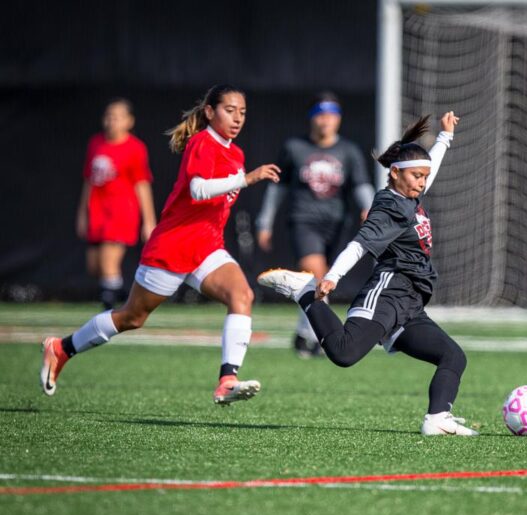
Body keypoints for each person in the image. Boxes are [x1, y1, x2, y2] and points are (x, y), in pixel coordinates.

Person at [40, 84, 281, 405]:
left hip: (206, 246)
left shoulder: (235, 152)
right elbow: (197, 190)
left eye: (243, 112)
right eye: (229, 110)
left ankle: (227, 380)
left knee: (242, 295)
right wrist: (246, 179)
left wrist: (241, 179)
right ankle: (61, 349)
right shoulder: (202, 143)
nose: (237, 118)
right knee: (132, 317)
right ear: (210, 112)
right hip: (173, 246)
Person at [258, 111, 478, 436]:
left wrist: (445, 137)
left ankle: (437, 419)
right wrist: (332, 276)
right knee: (344, 353)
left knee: (453, 357)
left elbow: (427, 173)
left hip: (410, 303)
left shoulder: (410, 194)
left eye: (423, 176)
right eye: (416, 176)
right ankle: (306, 292)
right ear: (395, 174)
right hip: (388, 293)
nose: (422, 182)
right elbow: (359, 246)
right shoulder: (389, 205)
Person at [255, 92, 375, 358]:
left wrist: (370, 208)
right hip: (303, 220)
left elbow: (361, 185)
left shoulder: (349, 151)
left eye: (332, 115)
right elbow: (277, 190)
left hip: (336, 224)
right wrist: (264, 222)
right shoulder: (294, 148)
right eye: (321, 115)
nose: (326, 121)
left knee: (321, 282)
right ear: (312, 118)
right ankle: (324, 338)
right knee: (316, 275)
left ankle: (303, 335)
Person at [77, 99, 157, 309]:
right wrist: (82, 213)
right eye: (109, 116)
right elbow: (89, 180)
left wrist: (149, 221)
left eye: (118, 117)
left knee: (108, 263)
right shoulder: (96, 143)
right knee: (94, 267)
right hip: (97, 211)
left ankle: (110, 314)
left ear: (129, 121)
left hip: (122, 212)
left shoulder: (135, 148)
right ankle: (122, 294)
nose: (112, 121)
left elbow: (142, 185)